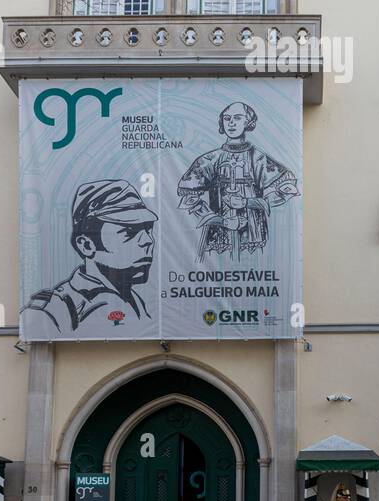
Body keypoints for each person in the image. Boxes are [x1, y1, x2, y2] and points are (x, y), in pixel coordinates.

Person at [23, 180, 157, 337]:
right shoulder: (51, 311)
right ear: (86, 245)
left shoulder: (134, 300)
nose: (148, 241)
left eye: (148, 229)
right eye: (129, 232)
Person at [177, 100, 299, 262]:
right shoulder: (210, 159)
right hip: (218, 236)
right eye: (227, 119)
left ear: (248, 122)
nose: (231, 123)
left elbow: (285, 190)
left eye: (237, 118)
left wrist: (247, 202)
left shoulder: (258, 158)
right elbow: (188, 198)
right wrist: (220, 220)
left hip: (253, 234)